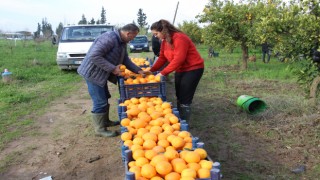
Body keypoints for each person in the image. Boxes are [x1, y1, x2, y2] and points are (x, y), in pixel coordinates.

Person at [77, 24, 148, 137]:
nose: (132, 39)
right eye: (133, 37)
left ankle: (106, 121)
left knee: (104, 98)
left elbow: (125, 59)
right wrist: (113, 68)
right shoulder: (109, 38)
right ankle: (100, 130)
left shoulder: (122, 42)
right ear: (128, 33)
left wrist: (138, 70)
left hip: (101, 74)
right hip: (93, 73)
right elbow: (94, 56)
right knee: (100, 101)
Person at [149, 19, 204, 124]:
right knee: (179, 94)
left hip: (193, 68)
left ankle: (184, 123)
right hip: (181, 69)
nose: (155, 36)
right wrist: (152, 70)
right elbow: (162, 58)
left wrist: (163, 72)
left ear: (163, 30)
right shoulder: (165, 41)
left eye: (156, 34)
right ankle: (180, 118)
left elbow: (179, 59)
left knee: (185, 96)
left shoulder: (179, 38)